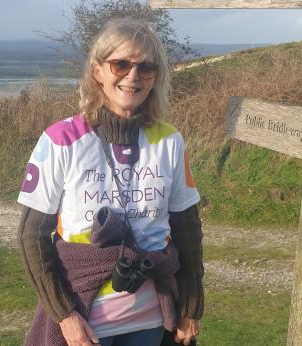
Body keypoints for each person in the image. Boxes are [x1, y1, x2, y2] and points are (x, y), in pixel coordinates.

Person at [17, 17, 204, 346]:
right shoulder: (61, 139)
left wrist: (190, 306)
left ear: (155, 78)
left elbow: (187, 229)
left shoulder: (169, 141)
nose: (133, 76)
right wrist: (64, 315)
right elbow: (32, 236)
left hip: (149, 321)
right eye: (120, 64)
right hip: (84, 323)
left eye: (146, 68)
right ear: (97, 71)